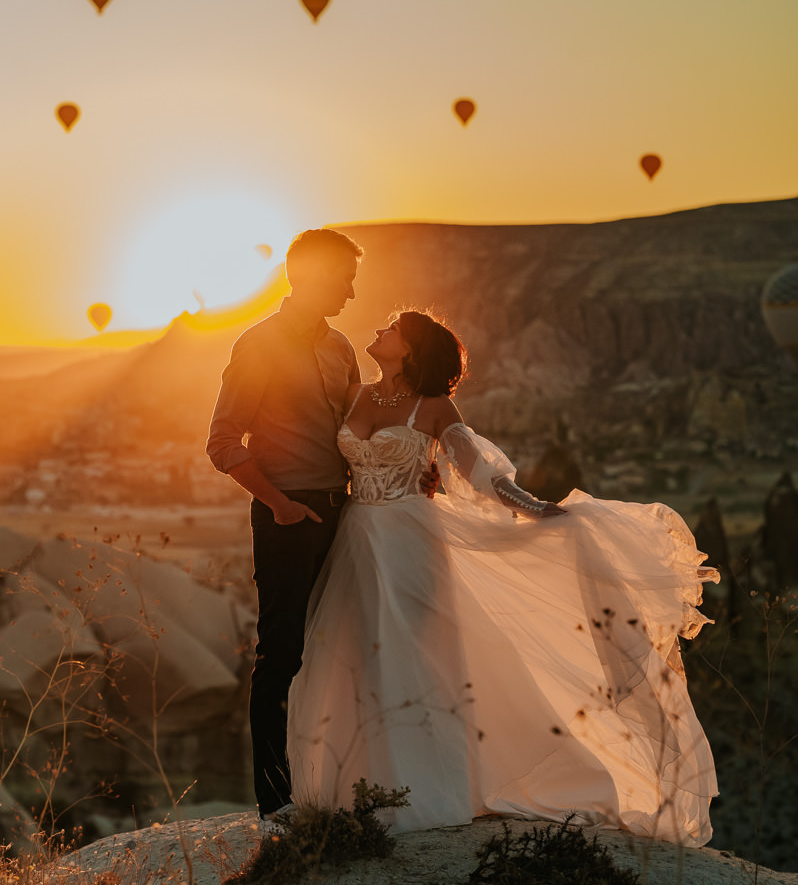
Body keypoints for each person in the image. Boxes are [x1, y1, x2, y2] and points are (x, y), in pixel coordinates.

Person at [287, 311, 720, 846]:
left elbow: (479, 472)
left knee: (414, 661)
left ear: (413, 349)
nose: (379, 330)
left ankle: (426, 791)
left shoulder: (434, 407)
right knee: (353, 659)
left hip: (410, 542)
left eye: (392, 327)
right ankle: (358, 790)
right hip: (356, 539)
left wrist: (534, 507)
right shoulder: (354, 393)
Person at [206, 228, 364, 820]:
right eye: (344, 277)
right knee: (283, 654)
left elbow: (357, 429)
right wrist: (278, 503)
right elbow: (222, 442)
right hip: (288, 514)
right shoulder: (259, 345)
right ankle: (276, 800)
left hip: (346, 511)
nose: (351, 290)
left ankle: (343, 785)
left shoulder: (341, 346)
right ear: (308, 275)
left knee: (344, 648)